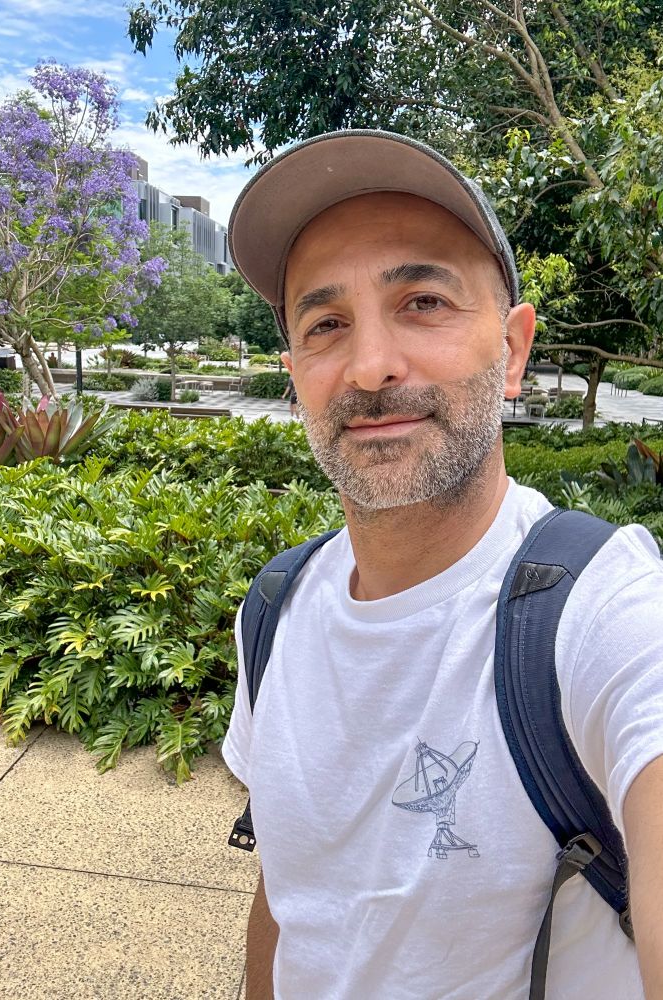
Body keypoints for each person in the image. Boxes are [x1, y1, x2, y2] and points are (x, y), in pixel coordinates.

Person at [222, 130, 663, 1000]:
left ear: (515, 350)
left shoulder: (603, 616)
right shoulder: (275, 606)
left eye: (422, 301)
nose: (372, 366)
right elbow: (290, 894)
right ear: (294, 372)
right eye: (325, 323)